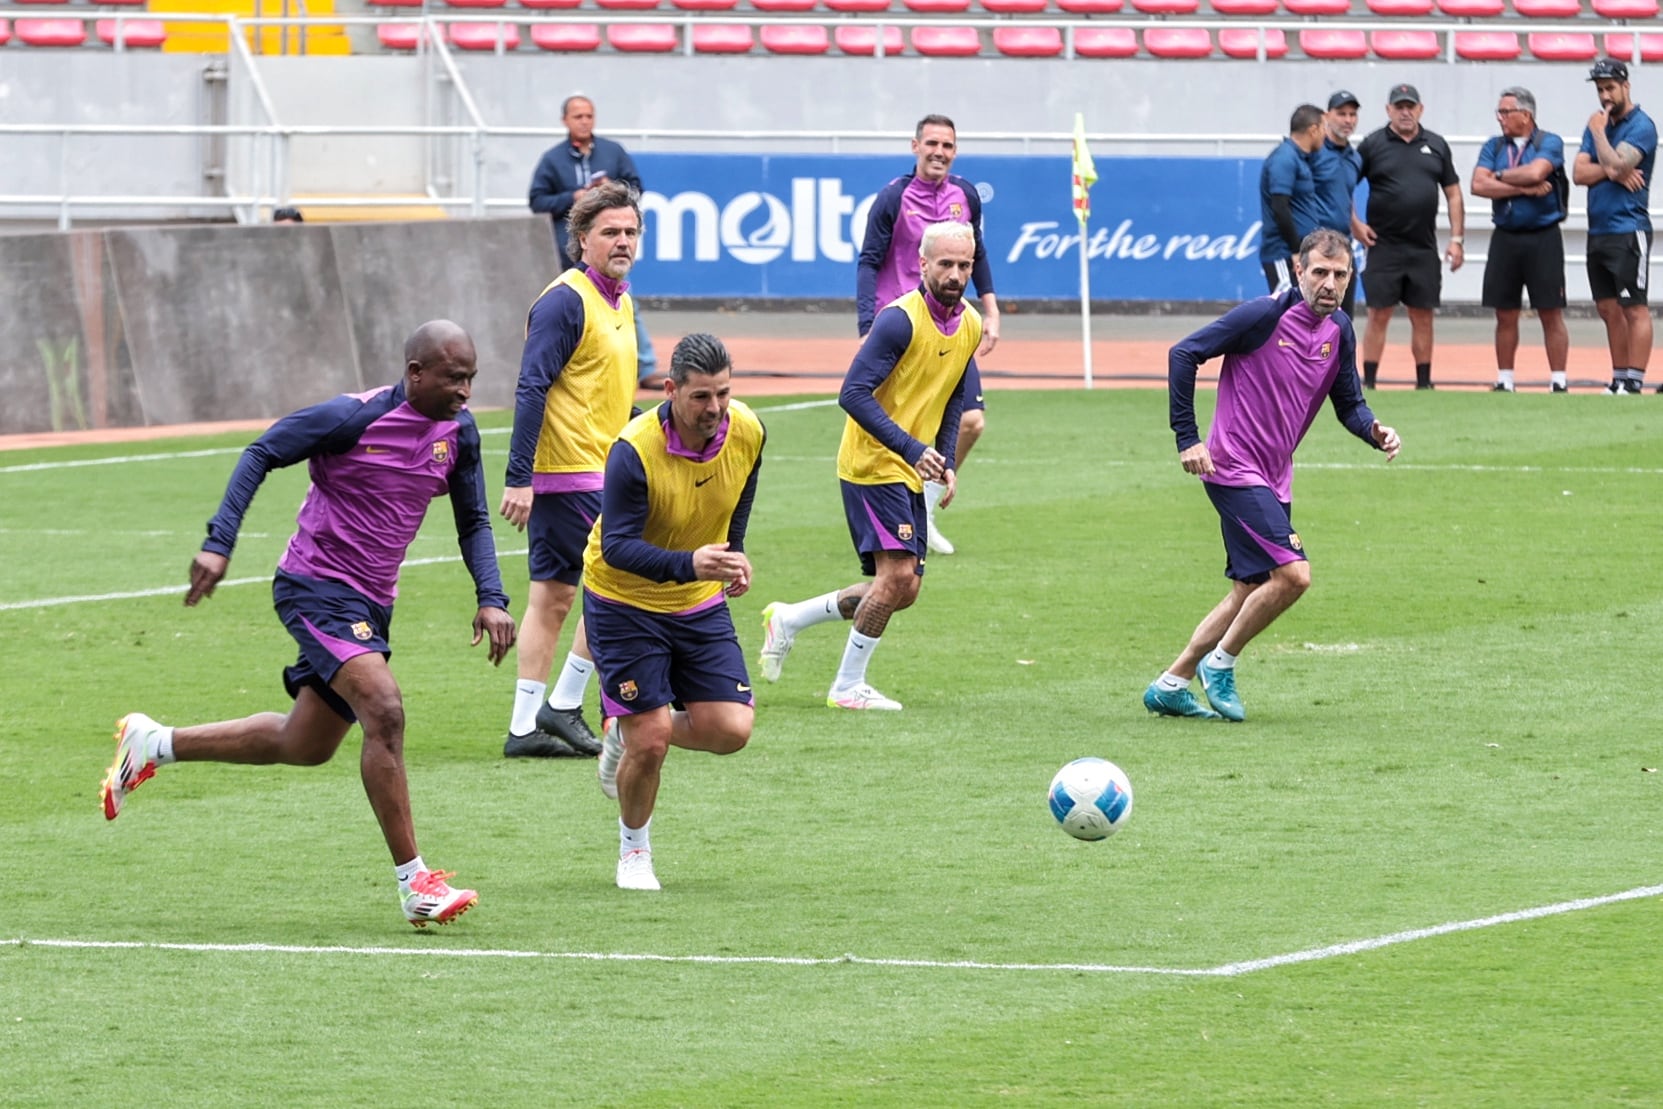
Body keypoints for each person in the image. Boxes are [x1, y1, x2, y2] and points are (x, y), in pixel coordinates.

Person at [100, 320, 516, 927]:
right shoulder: (351, 418)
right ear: (416, 372)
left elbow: (473, 519)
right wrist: (220, 542)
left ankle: (154, 743)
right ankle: (415, 884)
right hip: (315, 587)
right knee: (385, 708)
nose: (466, 391)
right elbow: (261, 451)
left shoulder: (460, 433)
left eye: (472, 378)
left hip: (372, 604)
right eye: (455, 378)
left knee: (305, 744)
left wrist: (492, 595)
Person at [1143, 229, 1400, 723]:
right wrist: (1187, 437)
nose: (1329, 283)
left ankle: (1171, 682)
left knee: (1250, 586)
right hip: (1232, 467)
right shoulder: (1264, 316)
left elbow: (1348, 403)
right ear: (1298, 271)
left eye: (1340, 274)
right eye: (1320, 272)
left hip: (1274, 476)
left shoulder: (1340, 331)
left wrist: (1374, 430)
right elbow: (1184, 353)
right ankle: (1221, 664)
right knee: (1294, 575)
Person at [762, 221, 981, 712]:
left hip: (907, 464)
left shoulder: (968, 322)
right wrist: (910, 448)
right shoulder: (898, 321)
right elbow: (852, 393)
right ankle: (846, 687)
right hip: (871, 464)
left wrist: (944, 460)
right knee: (898, 577)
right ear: (922, 264)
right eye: (945, 263)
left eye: (963, 265)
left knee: (904, 590)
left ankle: (791, 619)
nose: (954, 274)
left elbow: (953, 397)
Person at [584, 333, 765, 891]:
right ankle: (634, 851)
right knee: (654, 737)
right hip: (623, 601)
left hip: (695, 598)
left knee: (730, 728)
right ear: (670, 391)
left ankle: (621, 728)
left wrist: (732, 552)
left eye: (723, 395)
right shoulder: (633, 451)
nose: (714, 409)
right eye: (700, 398)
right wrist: (693, 562)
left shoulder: (749, 430)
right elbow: (617, 546)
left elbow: (741, 489)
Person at [500, 180, 643, 760]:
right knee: (617, 586)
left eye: (631, 231)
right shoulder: (565, 300)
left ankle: (524, 727)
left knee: (554, 598)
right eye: (610, 231)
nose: (623, 241)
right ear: (581, 238)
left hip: (599, 469)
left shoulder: (620, 299)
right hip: (570, 473)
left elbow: (605, 392)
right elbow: (532, 385)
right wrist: (519, 477)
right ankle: (562, 703)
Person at [856, 114, 997, 557]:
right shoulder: (893, 199)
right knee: (893, 421)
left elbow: (979, 254)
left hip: (951, 322)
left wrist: (990, 308)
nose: (939, 152)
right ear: (914, 146)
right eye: (931, 143)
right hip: (901, 326)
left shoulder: (966, 195)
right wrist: (866, 326)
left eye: (947, 145)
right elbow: (868, 261)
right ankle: (885, 510)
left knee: (971, 421)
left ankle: (926, 506)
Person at [528, 94, 662, 389]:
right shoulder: (552, 159)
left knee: (624, 302)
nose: (584, 121)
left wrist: (611, 189)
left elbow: (636, 186)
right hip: (567, 250)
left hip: (605, 250)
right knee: (570, 307)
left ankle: (643, 365)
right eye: (578, 116)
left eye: (589, 115)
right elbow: (537, 199)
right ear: (565, 120)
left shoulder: (613, 152)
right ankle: (574, 366)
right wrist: (573, 197)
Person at [1354, 83, 1464, 390]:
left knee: (1423, 314)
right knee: (1378, 314)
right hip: (1383, 245)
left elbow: (1453, 194)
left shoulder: (1437, 145)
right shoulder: (1372, 144)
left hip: (1423, 246)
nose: (1405, 112)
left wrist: (1457, 239)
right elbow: (1345, 183)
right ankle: (1370, 382)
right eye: (1399, 107)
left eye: (1410, 106)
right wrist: (1355, 225)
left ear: (1420, 109)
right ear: (1388, 110)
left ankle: (1424, 383)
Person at [1471, 87, 1570, 394]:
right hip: (1505, 236)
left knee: (1550, 310)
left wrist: (1498, 177)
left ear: (1525, 115)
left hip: (1543, 237)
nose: (1500, 118)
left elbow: (1538, 171)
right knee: (1504, 311)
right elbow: (1477, 184)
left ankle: (1558, 380)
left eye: (1505, 112)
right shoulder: (1493, 145)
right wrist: (1523, 188)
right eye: (1499, 112)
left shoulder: (1549, 142)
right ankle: (1505, 378)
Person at [1573, 58, 1657, 395]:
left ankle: (1635, 379)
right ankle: (1619, 376)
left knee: (1634, 306)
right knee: (1608, 308)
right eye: (1600, 89)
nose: (1605, 95)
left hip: (1628, 227)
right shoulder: (1599, 122)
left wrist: (1599, 138)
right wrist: (1612, 169)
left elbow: (1619, 162)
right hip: (1599, 229)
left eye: (1610, 87)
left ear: (1626, 86)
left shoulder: (1641, 125)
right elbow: (1579, 173)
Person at [1259, 104, 1328, 295]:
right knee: (1285, 313)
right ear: (1313, 130)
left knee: (1301, 315)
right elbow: (1280, 207)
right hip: (1284, 254)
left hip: (1299, 254)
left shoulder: (1299, 158)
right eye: (1324, 128)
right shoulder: (1285, 158)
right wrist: (1295, 250)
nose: (1326, 134)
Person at [1315, 90, 1363, 319]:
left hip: (1344, 246)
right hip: (1316, 247)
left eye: (1352, 114)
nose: (1348, 120)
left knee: (1342, 318)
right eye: (1341, 113)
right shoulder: (1313, 152)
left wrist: (1355, 224)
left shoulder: (1355, 157)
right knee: (1309, 315)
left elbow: (1346, 194)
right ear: (1327, 116)